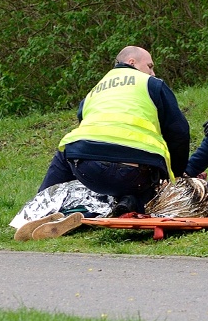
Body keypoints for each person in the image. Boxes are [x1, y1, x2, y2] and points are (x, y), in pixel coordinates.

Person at [40, 46, 190, 223]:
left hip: (87, 170)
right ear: (132, 62)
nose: (153, 72)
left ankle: (41, 207)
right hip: (135, 173)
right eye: (149, 66)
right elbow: (179, 133)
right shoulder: (152, 84)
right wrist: (176, 174)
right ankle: (132, 203)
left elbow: (85, 127)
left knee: (66, 150)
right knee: (144, 190)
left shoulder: (94, 91)